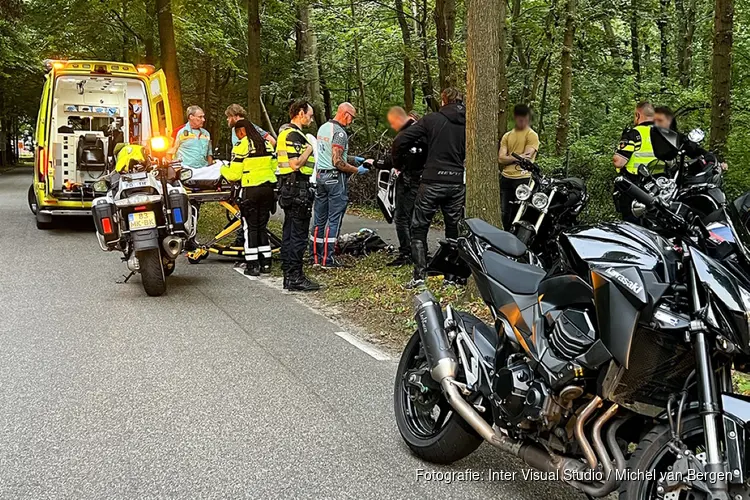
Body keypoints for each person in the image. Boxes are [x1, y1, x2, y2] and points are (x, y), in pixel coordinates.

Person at [398, 88, 466, 289]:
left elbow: (401, 140)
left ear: (443, 100)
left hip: (431, 180)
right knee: (453, 229)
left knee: (419, 227)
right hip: (455, 182)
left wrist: (398, 162)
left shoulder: (431, 120)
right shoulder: (470, 123)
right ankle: (451, 278)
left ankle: (420, 276)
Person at [310, 102, 370, 269]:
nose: (351, 122)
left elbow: (331, 153)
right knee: (334, 220)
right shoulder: (340, 133)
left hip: (321, 176)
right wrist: (356, 170)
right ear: (345, 114)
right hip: (335, 179)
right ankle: (327, 260)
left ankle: (315, 256)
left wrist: (351, 158)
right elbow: (336, 161)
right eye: (352, 118)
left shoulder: (323, 128)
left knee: (319, 219)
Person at [276, 100, 320, 291]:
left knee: (289, 232)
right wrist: (310, 148)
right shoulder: (293, 134)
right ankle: (295, 277)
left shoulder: (286, 133)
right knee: (298, 235)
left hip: (289, 187)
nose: (311, 118)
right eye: (309, 115)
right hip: (297, 187)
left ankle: (289, 274)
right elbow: (295, 164)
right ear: (301, 113)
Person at [229, 119, 277, 276]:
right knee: (262, 226)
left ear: (241, 131)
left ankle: (252, 265)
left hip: (251, 191)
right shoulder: (267, 144)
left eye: (237, 133)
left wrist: (222, 168)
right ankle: (266, 263)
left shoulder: (242, 146)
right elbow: (274, 167)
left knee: (250, 227)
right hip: (268, 190)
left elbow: (234, 175)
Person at [383, 106, 425, 266]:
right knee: (416, 218)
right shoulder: (425, 133)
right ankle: (419, 251)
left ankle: (406, 253)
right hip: (423, 180)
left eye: (393, 124)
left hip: (408, 181)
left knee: (401, 217)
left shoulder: (404, 136)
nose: (393, 127)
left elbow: (396, 160)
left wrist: (383, 164)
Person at [613, 101, 659, 222]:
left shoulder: (634, 134)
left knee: (633, 226)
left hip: (635, 189)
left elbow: (619, 162)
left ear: (638, 115)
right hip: (660, 187)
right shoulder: (663, 134)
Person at [497, 104, 540, 230]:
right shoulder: (507, 136)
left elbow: (526, 157)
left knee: (521, 210)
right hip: (506, 177)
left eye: (524, 117)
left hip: (523, 177)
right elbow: (500, 158)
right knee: (505, 211)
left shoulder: (531, 135)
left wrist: (510, 157)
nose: (522, 120)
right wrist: (518, 158)